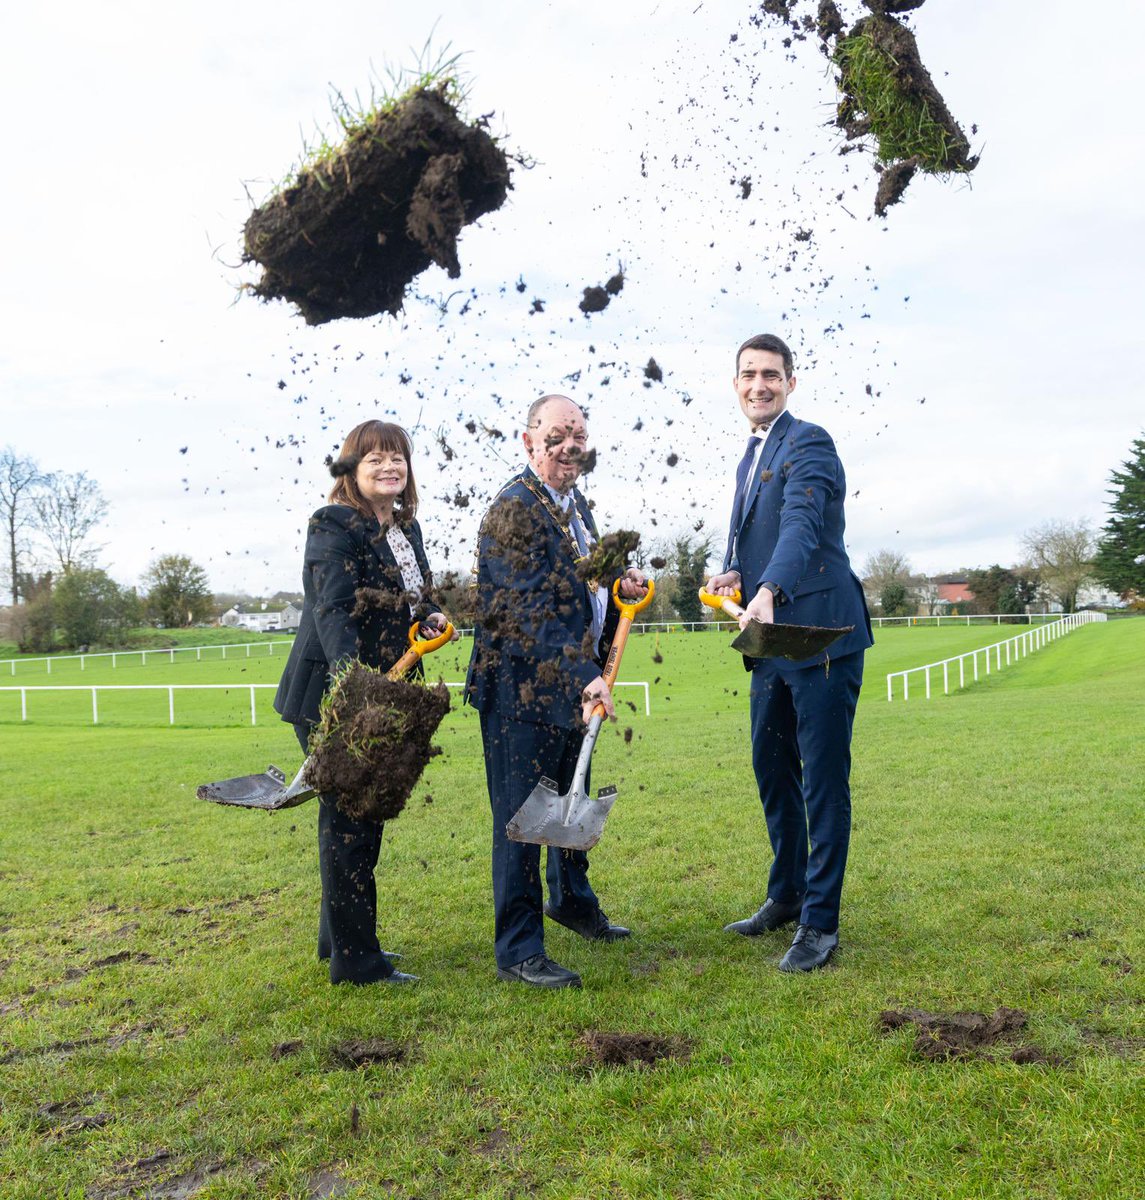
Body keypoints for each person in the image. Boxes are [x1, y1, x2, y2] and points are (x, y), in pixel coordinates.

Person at [465, 395, 648, 989]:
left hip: (569, 686)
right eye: (557, 436)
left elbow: (584, 575)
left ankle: (571, 901)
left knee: (572, 797)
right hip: (520, 692)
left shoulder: (574, 504)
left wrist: (619, 581)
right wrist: (583, 673)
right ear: (528, 441)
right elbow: (520, 613)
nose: (571, 447)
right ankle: (519, 951)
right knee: (522, 819)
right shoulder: (513, 510)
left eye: (579, 437)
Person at [706, 335, 873, 972]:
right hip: (771, 641)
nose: (759, 385)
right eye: (748, 374)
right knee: (772, 768)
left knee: (822, 782)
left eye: (771, 375)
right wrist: (735, 573)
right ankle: (787, 893)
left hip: (822, 635)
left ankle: (820, 922)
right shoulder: (751, 455)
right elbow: (761, 535)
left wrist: (770, 589)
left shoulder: (809, 442)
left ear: (790, 383)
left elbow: (801, 526)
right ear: (735, 383)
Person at [274, 419, 453, 986]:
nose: (388, 467)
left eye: (397, 457)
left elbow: (416, 598)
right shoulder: (332, 524)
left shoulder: (406, 528)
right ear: (351, 469)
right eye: (374, 458)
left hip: (388, 693)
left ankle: (339, 941)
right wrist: (352, 693)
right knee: (352, 820)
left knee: (359, 815)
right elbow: (332, 609)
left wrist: (430, 615)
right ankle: (356, 961)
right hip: (336, 696)